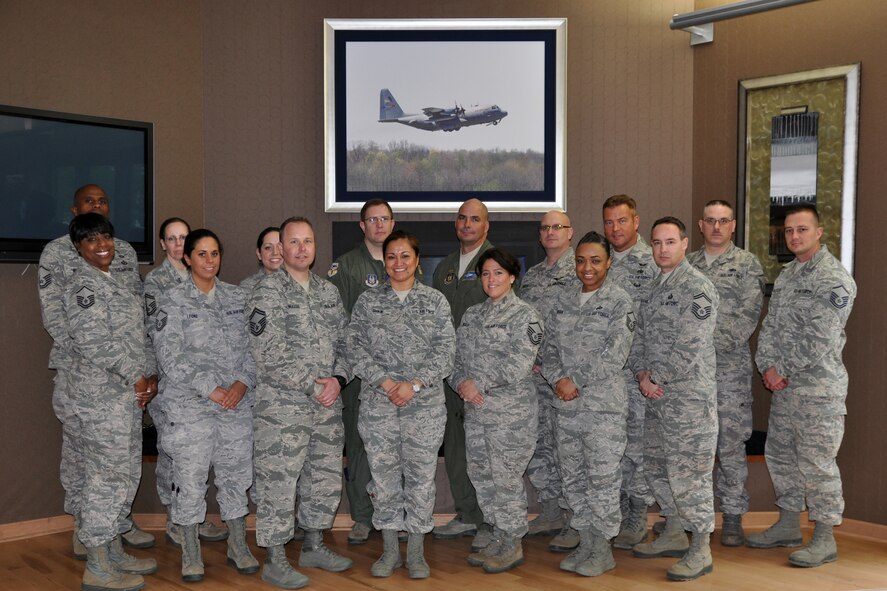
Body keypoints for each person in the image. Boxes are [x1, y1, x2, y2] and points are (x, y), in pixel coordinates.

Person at [37, 184, 155, 560]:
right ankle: (87, 532)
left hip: (122, 380)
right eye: (90, 202)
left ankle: (113, 531)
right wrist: (98, 361)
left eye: (103, 201)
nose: (98, 206)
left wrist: (142, 370)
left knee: (118, 461)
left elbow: (134, 311)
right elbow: (57, 317)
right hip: (85, 378)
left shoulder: (122, 252)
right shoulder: (57, 254)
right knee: (85, 459)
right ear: (74, 210)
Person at [748, 203, 856, 568]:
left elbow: (820, 337)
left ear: (818, 232)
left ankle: (824, 538)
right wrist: (767, 366)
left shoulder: (834, 279)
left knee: (817, 464)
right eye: (789, 231)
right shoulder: (788, 276)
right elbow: (771, 327)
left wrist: (783, 369)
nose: (794, 236)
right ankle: (789, 525)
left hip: (818, 392)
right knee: (781, 457)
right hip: (785, 391)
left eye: (802, 230)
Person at [247, 217, 353, 589]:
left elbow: (346, 344)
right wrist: (312, 385)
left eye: (307, 241)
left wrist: (338, 381)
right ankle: (275, 560)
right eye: (293, 242)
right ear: (280, 247)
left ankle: (313, 545)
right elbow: (268, 353)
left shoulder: (327, 292)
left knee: (322, 479)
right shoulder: (266, 292)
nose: (301, 248)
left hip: (326, 405)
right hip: (282, 408)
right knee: (279, 482)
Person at [152, 229, 259, 581]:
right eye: (201, 254)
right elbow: (169, 357)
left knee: (235, 477)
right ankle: (191, 551)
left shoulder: (238, 298)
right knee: (190, 479)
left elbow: (255, 349)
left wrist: (242, 383)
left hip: (235, 406)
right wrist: (211, 389)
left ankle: (238, 545)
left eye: (215, 254)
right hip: (190, 407)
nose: (209, 261)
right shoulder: (171, 300)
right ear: (187, 258)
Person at [349, 230, 456, 579]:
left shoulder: (436, 302)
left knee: (421, 479)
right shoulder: (367, 303)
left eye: (405, 256)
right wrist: (385, 381)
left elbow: (446, 353)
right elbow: (355, 349)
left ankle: (417, 552)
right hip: (379, 406)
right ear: (385, 261)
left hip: (423, 407)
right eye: (392, 256)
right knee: (383, 480)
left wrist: (413, 384)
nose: (398, 263)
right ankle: (391, 549)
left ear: (416, 260)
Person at [64, 213, 158, 591]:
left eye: (106, 237)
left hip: (126, 399)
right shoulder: (82, 287)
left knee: (125, 475)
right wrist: (134, 376)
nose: (102, 245)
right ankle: (98, 565)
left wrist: (150, 377)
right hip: (101, 399)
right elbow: (93, 342)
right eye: (91, 240)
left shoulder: (117, 281)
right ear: (78, 248)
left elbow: (139, 335)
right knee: (106, 479)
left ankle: (114, 550)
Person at [628, 216, 719, 581]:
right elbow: (639, 339)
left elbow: (691, 346)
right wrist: (640, 374)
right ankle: (675, 532)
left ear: (684, 244)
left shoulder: (698, 288)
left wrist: (656, 378)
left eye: (669, 242)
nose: (662, 249)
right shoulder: (653, 287)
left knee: (691, 475)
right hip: (655, 398)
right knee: (657, 468)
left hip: (687, 402)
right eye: (656, 243)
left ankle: (701, 549)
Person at [541, 231, 634, 577]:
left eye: (595, 260)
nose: (587, 267)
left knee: (602, 479)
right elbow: (547, 351)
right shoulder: (563, 301)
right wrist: (556, 380)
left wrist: (573, 380)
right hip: (566, 408)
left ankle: (603, 547)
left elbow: (615, 355)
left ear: (609, 262)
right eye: (581, 260)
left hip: (602, 410)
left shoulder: (619, 302)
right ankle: (586, 541)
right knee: (573, 477)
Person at [451, 248, 543, 573]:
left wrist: (479, 383)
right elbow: (455, 360)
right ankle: (496, 531)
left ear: (512, 277)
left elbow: (519, 363)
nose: (491, 279)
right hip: (476, 415)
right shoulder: (472, 315)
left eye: (499, 273)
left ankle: (512, 541)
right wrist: (461, 383)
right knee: (482, 477)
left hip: (510, 418)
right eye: (486, 273)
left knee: (505, 479)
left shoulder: (525, 316)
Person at [144, 217, 228, 547]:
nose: (178, 244)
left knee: (196, 456)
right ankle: (176, 518)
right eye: (171, 239)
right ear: (163, 244)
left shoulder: (206, 280)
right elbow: (156, 334)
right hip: (171, 381)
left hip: (203, 384)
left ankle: (191, 514)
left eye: (183, 238)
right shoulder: (158, 282)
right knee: (175, 454)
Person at [686, 200, 764, 546]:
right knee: (692, 447)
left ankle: (732, 517)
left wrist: (700, 344)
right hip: (690, 374)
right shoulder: (687, 266)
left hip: (729, 372)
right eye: (710, 221)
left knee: (730, 446)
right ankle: (691, 517)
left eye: (724, 221)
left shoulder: (747, 265)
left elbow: (747, 319)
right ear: (701, 225)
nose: (716, 227)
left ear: (733, 226)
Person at [326, 199, 394, 544]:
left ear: (392, 223)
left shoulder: (404, 260)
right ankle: (362, 517)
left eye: (384, 219)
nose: (379, 225)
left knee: (394, 447)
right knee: (359, 444)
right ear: (362, 225)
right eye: (372, 219)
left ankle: (393, 512)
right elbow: (337, 324)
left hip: (398, 376)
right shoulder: (347, 267)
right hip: (359, 374)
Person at [430, 198, 491, 546]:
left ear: (486, 225)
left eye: (475, 219)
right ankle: (468, 513)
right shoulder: (446, 267)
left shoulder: (494, 262)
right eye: (462, 218)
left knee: (483, 449)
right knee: (455, 446)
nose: (467, 224)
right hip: (448, 372)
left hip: (480, 374)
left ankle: (488, 519)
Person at [601, 194, 659, 550]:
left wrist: (647, 370)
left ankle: (638, 512)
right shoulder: (598, 261)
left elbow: (655, 322)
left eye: (621, 221)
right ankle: (617, 510)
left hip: (637, 373)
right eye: (609, 222)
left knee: (637, 445)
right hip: (606, 376)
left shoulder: (651, 261)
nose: (615, 228)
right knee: (611, 446)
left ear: (636, 222)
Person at [521, 210, 580, 552]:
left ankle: (574, 518)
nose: (551, 232)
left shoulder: (583, 269)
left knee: (569, 448)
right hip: (536, 374)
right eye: (545, 228)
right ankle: (551, 509)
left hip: (567, 376)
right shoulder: (533, 277)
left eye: (557, 227)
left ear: (569, 232)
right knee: (541, 444)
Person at [240, 226, 282, 294]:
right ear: (259, 254)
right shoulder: (248, 287)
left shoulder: (301, 282)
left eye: (279, 247)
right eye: (268, 248)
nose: (275, 252)